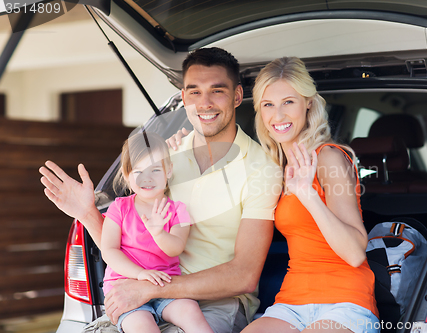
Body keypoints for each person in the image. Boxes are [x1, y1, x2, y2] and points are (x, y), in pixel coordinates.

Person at [39, 47, 282, 333]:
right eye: (194, 92)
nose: (204, 103)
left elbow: (244, 276)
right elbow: (123, 240)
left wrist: (150, 290)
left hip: (216, 302)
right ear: (183, 98)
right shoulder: (165, 156)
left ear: (237, 96)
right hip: (143, 292)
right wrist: (87, 212)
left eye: (217, 91)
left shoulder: (261, 168)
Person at [241, 57, 380, 332]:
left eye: (288, 102)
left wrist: (307, 194)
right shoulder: (274, 166)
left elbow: (354, 253)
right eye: (268, 105)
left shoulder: (327, 157)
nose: (278, 116)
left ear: (308, 103)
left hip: (345, 301)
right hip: (291, 302)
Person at [101, 131, 213, 333]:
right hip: (125, 286)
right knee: (143, 327)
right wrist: (140, 274)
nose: (147, 178)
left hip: (165, 285)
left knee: (191, 313)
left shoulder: (179, 210)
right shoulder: (119, 208)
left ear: (168, 170)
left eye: (155, 170)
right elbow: (108, 250)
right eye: (138, 172)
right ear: (127, 176)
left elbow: (175, 248)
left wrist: (159, 233)